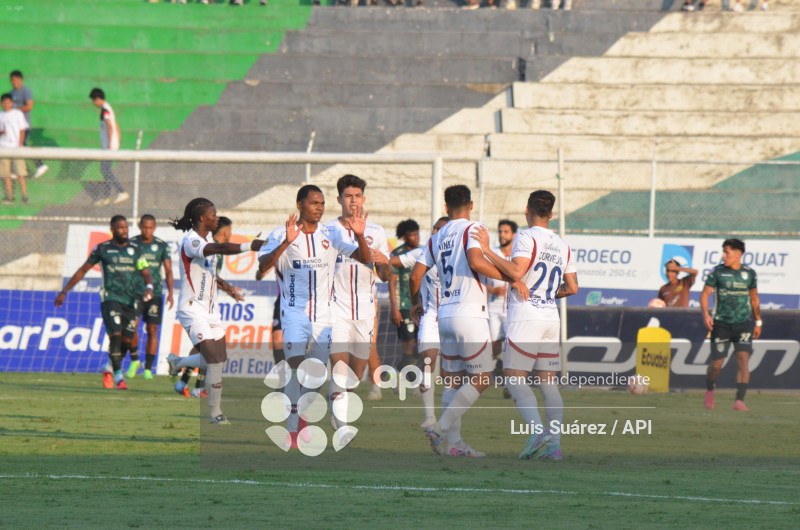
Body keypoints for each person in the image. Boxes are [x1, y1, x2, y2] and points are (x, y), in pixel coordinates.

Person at [256, 184, 370, 447]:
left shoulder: (331, 234)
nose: (319, 208)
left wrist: (361, 236)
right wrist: (286, 241)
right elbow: (264, 265)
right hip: (293, 314)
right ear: (299, 205)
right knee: (296, 368)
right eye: (313, 203)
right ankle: (293, 430)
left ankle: (302, 415)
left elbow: (364, 258)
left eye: (322, 203)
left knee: (316, 377)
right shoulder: (280, 233)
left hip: (323, 317)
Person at [474, 190, 578, 461]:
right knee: (548, 385)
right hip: (550, 317)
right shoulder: (564, 245)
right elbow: (573, 287)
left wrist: (486, 251)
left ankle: (537, 432)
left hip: (526, 315)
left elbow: (517, 272)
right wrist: (545, 292)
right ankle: (554, 447)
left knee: (514, 377)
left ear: (527, 210)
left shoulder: (526, 236)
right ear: (551, 214)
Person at [411, 185, 510, 458]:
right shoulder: (473, 228)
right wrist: (508, 277)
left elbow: (414, 275)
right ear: (471, 204)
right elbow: (476, 262)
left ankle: (455, 445)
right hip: (470, 312)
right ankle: (440, 428)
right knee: (482, 377)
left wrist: (416, 304)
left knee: (453, 381)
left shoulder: (436, 236)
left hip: (444, 315)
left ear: (446, 207)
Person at [166, 198, 264, 424]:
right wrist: (250, 246)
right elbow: (219, 248)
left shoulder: (205, 238)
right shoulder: (192, 241)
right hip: (192, 310)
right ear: (202, 218)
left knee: (220, 360)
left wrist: (228, 288)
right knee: (213, 361)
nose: (217, 218)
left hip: (211, 312)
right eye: (214, 214)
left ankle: (179, 363)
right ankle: (215, 414)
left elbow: (211, 274)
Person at [323, 175, 392, 429]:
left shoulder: (377, 231)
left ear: (364, 199)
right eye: (348, 196)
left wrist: (384, 262)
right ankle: (341, 421)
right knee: (339, 366)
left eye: (358, 196)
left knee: (356, 374)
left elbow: (385, 277)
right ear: (339, 199)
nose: (353, 201)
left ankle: (338, 398)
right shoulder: (328, 230)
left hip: (365, 309)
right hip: (335, 308)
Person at [55, 215, 154, 390]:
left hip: (131, 301)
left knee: (126, 342)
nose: (124, 230)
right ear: (113, 229)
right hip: (110, 299)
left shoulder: (135, 249)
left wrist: (149, 286)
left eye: (126, 227)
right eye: (121, 227)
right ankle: (118, 378)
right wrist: (64, 291)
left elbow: (145, 271)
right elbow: (83, 270)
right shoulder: (102, 249)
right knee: (115, 338)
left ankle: (108, 368)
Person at [391, 216, 448, 428]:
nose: (435, 232)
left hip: (454, 315)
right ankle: (430, 417)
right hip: (430, 315)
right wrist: (376, 256)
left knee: (452, 372)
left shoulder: (462, 254)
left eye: (440, 228)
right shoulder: (423, 251)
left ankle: (448, 421)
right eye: (434, 228)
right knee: (427, 360)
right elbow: (393, 262)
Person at [175, 216, 233, 397]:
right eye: (230, 231)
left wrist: (228, 288)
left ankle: (185, 381)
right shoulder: (210, 248)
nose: (231, 235)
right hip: (198, 306)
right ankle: (198, 387)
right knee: (210, 352)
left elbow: (212, 277)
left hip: (208, 308)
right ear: (225, 232)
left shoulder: (210, 246)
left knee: (207, 351)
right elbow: (210, 277)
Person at [700, 238, 761, 412]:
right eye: (724, 252)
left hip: (743, 324)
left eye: (727, 252)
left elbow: (754, 298)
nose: (724, 255)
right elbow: (704, 295)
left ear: (738, 254)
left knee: (743, 361)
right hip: (721, 324)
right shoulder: (717, 272)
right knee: (716, 365)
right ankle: (710, 387)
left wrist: (758, 321)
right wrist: (705, 314)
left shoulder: (749, 274)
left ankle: (739, 400)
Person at [126, 214, 174, 381]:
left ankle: (148, 368)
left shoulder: (161, 246)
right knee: (132, 326)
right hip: (135, 291)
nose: (147, 230)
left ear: (154, 228)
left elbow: (168, 271)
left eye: (150, 227)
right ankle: (134, 361)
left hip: (155, 293)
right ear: (140, 226)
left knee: (152, 330)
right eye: (144, 227)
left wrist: (171, 293)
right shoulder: (131, 243)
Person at [486, 220, 517, 381]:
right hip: (494, 306)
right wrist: (493, 289)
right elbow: (482, 280)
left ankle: (508, 374)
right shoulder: (492, 253)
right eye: (500, 231)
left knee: (512, 343)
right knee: (493, 343)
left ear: (513, 234)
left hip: (512, 307)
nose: (502, 235)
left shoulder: (518, 255)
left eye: (505, 232)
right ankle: (495, 368)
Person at [390, 218, 420, 373]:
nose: (417, 237)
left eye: (417, 234)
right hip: (404, 305)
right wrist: (394, 308)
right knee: (408, 342)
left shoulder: (422, 252)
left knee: (420, 343)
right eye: (412, 235)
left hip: (420, 304)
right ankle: (410, 379)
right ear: (404, 237)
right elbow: (392, 282)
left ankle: (401, 372)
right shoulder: (397, 254)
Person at [89, 88, 128, 206]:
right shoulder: (108, 108)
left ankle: (121, 191)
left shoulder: (105, 110)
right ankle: (106, 197)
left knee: (106, 170)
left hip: (109, 146)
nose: (93, 103)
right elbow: (115, 124)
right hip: (111, 144)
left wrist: (111, 144)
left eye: (93, 100)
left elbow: (110, 126)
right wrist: (118, 139)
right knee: (105, 170)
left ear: (97, 99)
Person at [9, 71, 47, 178]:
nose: (14, 82)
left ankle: (40, 165)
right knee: (15, 146)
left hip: (24, 126)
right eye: (12, 80)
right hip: (13, 127)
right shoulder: (11, 93)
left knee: (22, 145)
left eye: (16, 79)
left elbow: (29, 106)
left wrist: (15, 111)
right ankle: (16, 169)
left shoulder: (26, 91)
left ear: (21, 80)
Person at [1, 93, 29, 204]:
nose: (6, 104)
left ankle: (25, 197)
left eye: (8, 102)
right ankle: (10, 197)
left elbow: (22, 130)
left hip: (16, 148)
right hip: (3, 147)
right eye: (4, 102)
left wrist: (20, 145)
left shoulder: (17, 113)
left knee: (20, 174)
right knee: (5, 174)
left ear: (12, 103)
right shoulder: (0, 115)